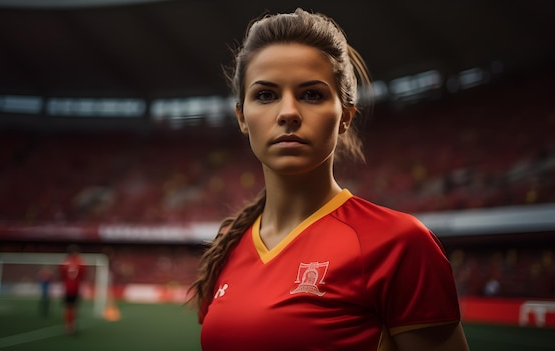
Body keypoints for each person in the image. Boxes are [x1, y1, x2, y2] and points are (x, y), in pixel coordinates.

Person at [188, 8, 470, 351]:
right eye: (265, 95)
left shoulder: (399, 244)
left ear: (345, 117)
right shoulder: (227, 246)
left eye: (311, 94)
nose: (288, 112)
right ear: (241, 118)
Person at [60, 244, 86, 334]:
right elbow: (83, 275)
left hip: (67, 288)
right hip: (75, 288)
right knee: (74, 307)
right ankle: (73, 326)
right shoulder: (80, 262)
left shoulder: (65, 262)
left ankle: (67, 326)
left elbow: (62, 275)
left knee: (67, 307)